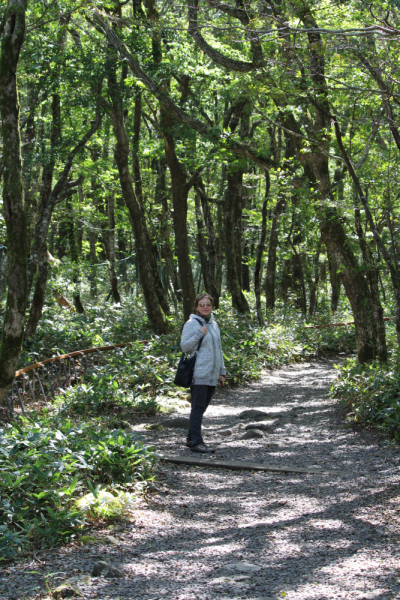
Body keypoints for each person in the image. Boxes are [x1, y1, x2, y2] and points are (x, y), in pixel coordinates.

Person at [180, 293, 226, 453]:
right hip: (198, 373)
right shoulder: (191, 323)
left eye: (208, 304)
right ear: (196, 306)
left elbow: (219, 350)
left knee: (201, 408)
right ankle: (196, 443)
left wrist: (222, 372)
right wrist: (200, 333)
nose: (205, 307)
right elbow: (185, 347)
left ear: (212, 306)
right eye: (202, 304)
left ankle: (191, 438)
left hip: (212, 374)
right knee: (198, 408)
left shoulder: (214, 324)